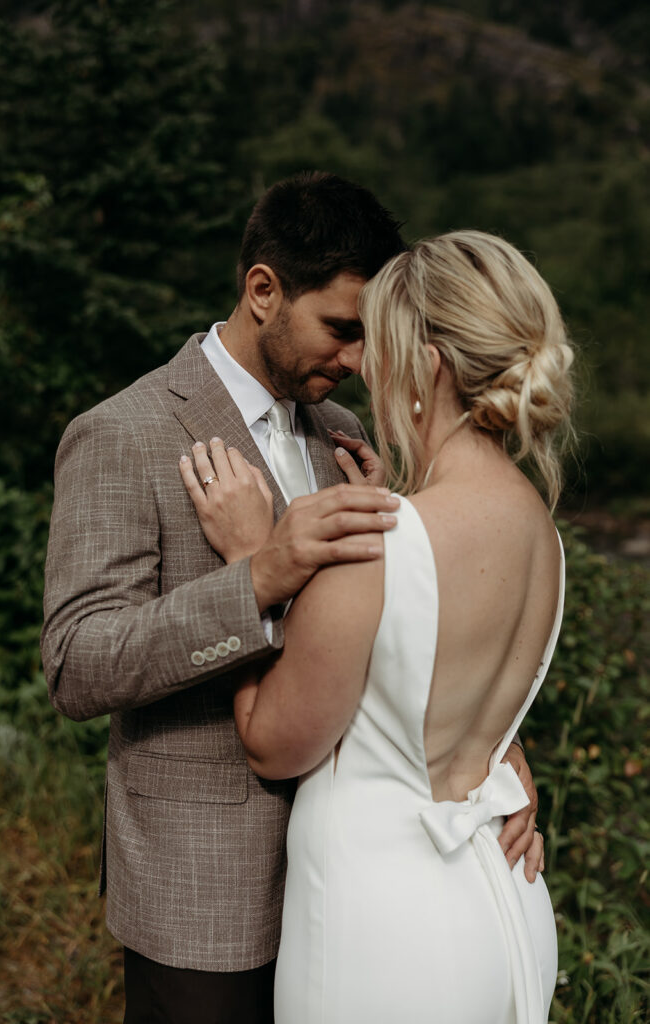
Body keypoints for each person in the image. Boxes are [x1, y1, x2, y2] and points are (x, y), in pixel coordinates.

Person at [41, 173, 539, 1024]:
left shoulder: (346, 437)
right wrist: (256, 579)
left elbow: (417, 617)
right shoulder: (122, 433)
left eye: (368, 337)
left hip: (360, 893)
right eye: (340, 329)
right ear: (263, 290)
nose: (354, 361)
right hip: (203, 893)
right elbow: (77, 666)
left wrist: (492, 750)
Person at [181, 230, 573, 1024]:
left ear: (427, 365)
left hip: (384, 933)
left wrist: (252, 563)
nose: (361, 365)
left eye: (380, 344)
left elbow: (272, 741)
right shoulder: (542, 532)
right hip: (501, 904)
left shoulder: (378, 543)